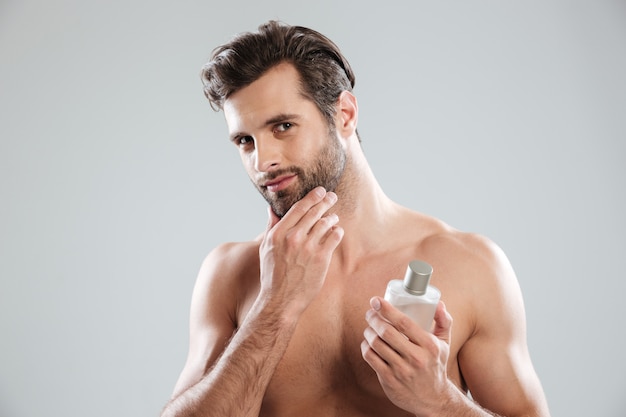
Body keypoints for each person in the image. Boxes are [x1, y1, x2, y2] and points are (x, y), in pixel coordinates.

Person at [161, 20, 551, 417]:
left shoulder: (470, 266)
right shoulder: (232, 274)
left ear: (344, 114)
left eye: (283, 126)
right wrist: (274, 306)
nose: (263, 161)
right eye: (245, 141)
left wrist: (442, 402)